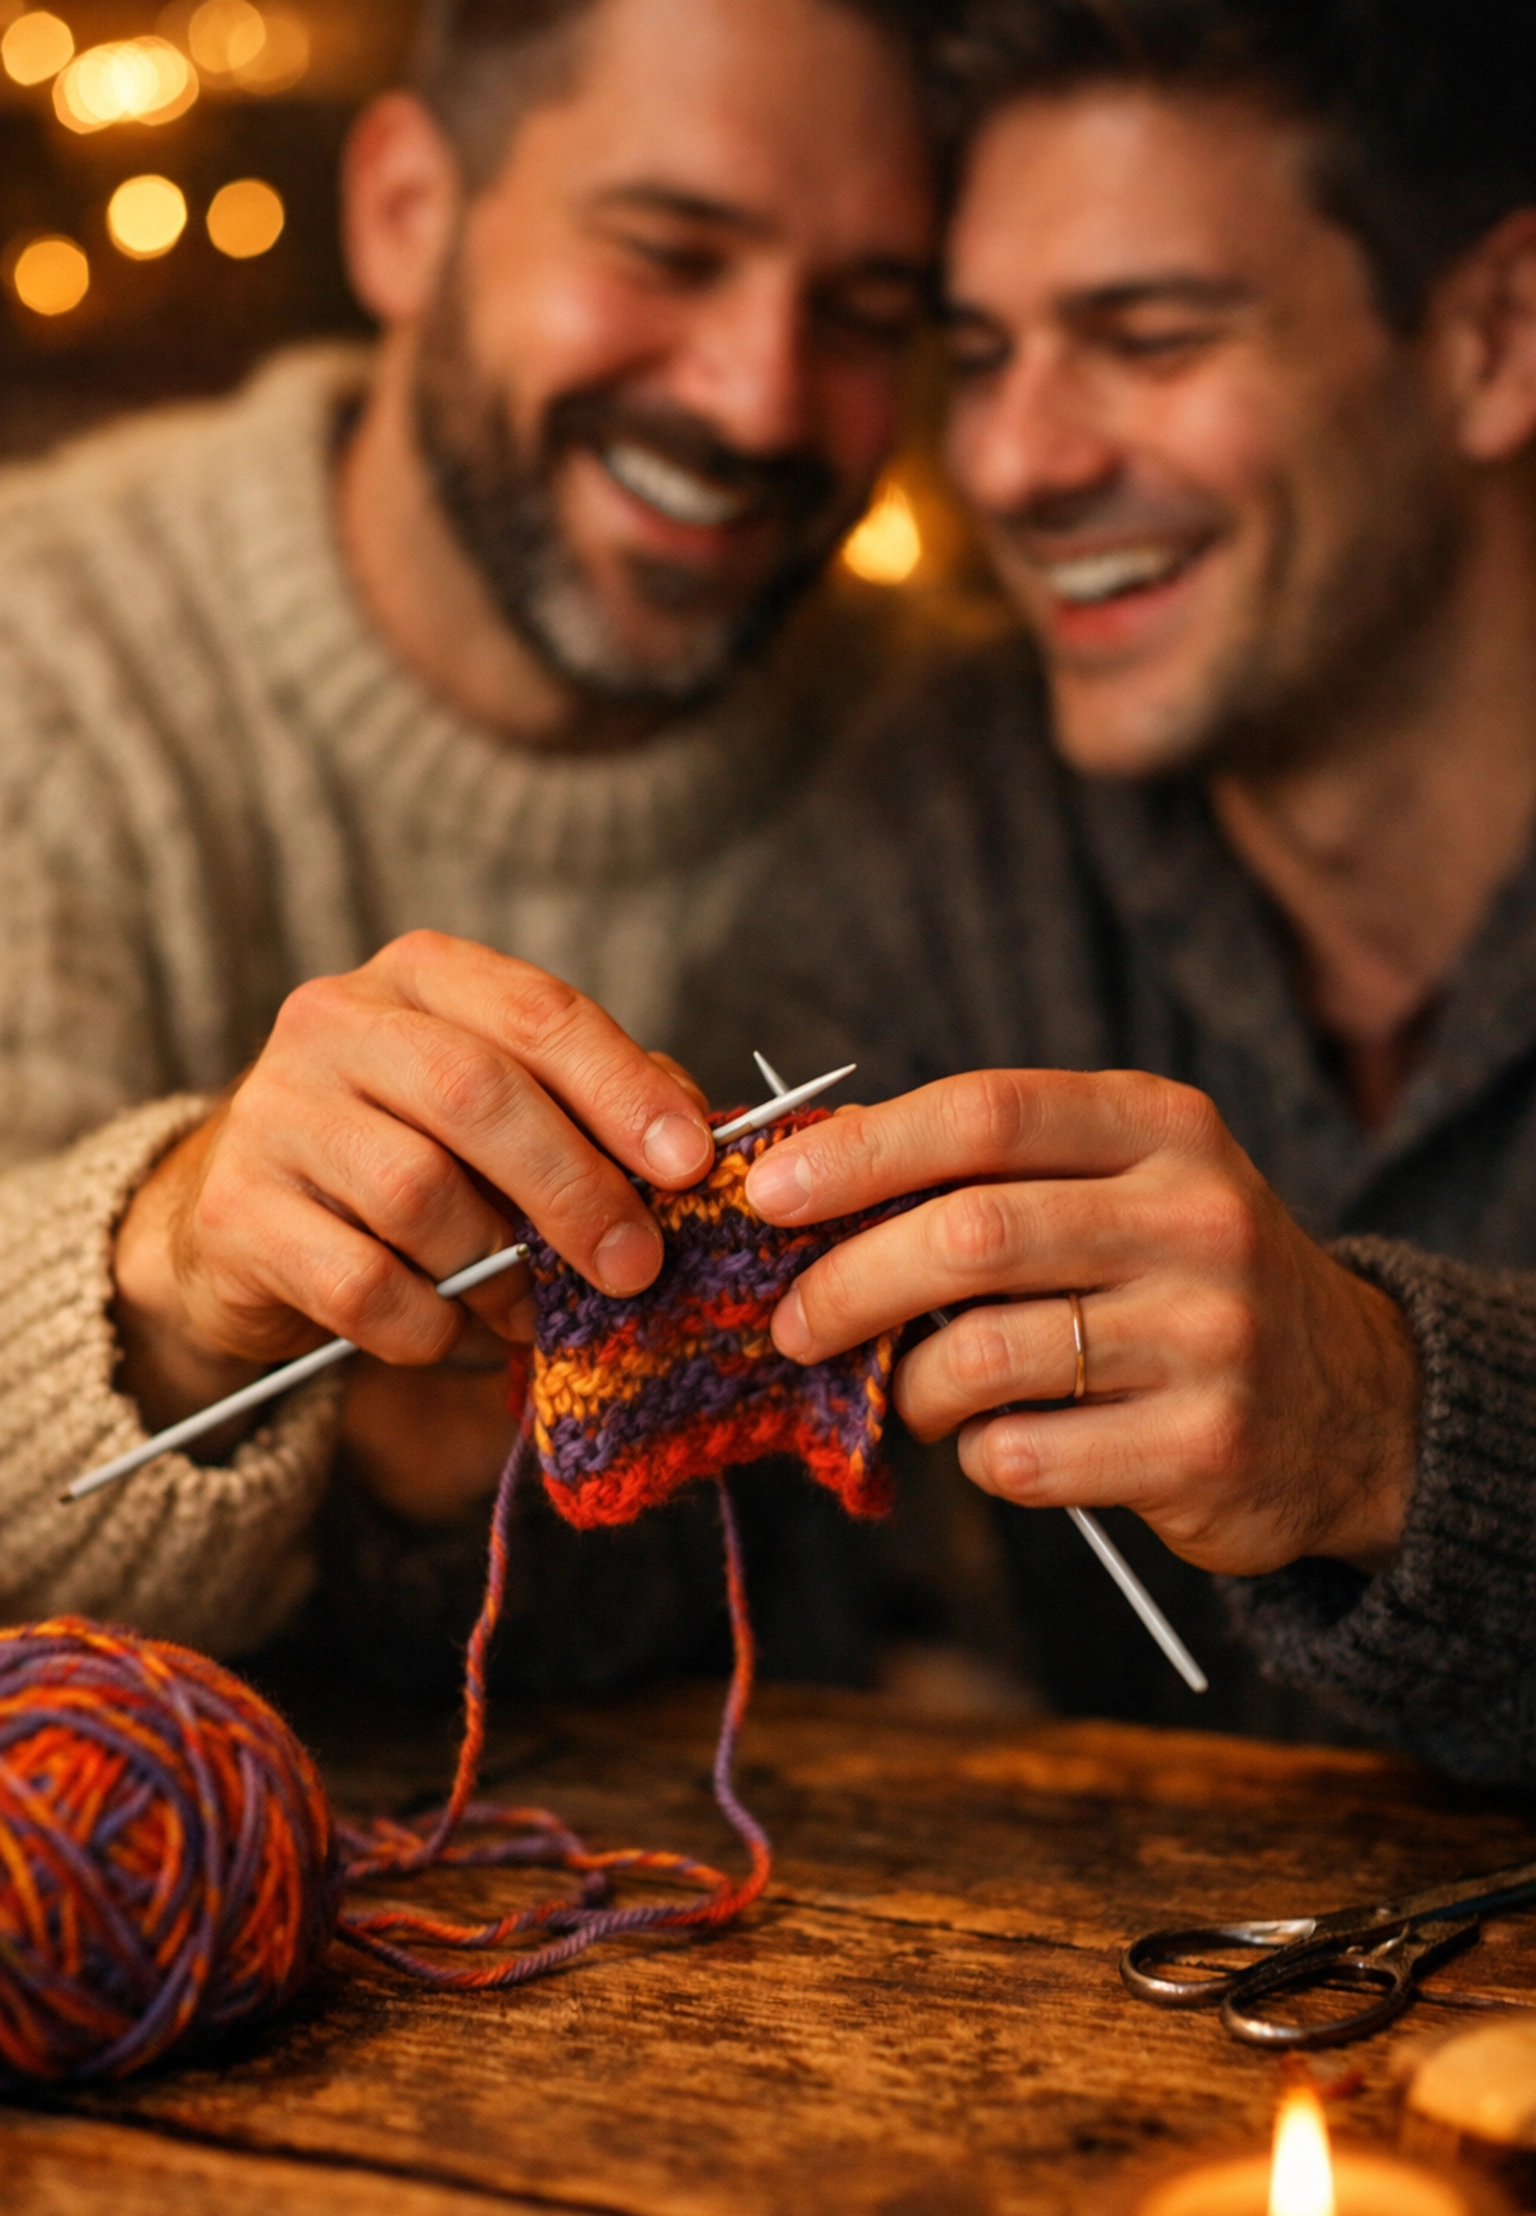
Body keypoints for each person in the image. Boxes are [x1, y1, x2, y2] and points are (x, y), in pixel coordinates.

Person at [0, 0, 946, 1672]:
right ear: (404, 213)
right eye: (669, 251)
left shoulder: (945, 750)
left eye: (867, 315)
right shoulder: (36, 659)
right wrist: (158, 1289)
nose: (759, 399)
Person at [692, 0, 1536, 1774]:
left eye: (1148, 339)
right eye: (983, 354)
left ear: (1494, 336)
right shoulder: (953, 818)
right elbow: (693, 1567)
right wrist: (428, 1426)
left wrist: (1389, 1430)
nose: (1015, 460)